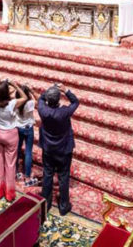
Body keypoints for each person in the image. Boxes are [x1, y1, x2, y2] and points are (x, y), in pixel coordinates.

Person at [38, 84, 79, 215]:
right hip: (63, 149)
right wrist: (66, 90)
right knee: (63, 176)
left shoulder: (42, 109)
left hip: (49, 148)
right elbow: (76, 101)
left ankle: (46, 204)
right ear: (58, 99)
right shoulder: (64, 112)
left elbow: (40, 98)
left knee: (48, 175)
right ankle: (63, 206)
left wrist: (51, 88)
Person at [0, 79, 30, 201]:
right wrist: (16, 85)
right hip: (10, 134)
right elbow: (24, 97)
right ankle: (9, 194)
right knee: (10, 164)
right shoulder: (12, 104)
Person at [16, 85, 38, 187]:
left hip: (18, 127)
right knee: (28, 152)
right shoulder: (29, 103)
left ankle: (15, 171)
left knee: (17, 149)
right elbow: (39, 101)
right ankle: (27, 177)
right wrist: (32, 91)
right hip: (28, 128)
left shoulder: (15, 101)